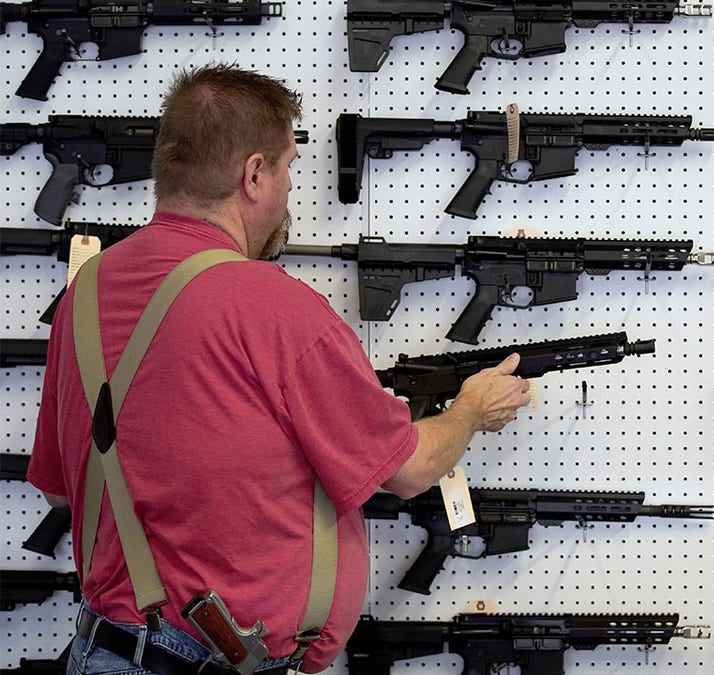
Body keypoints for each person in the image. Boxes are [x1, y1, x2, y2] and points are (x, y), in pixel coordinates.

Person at [27, 63, 531, 674]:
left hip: (103, 653)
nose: (291, 188)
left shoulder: (86, 293)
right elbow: (410, 469)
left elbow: (61, 487)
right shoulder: (273, 305)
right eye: (289, 167)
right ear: (255, 174)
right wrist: (471, 411)